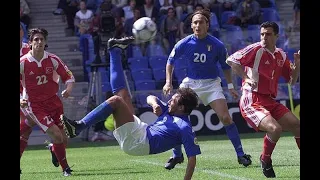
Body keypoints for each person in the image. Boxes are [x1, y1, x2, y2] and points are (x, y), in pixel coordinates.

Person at [61, 36, 201, 180]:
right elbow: (150, 97)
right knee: (122, 95)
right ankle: (114, 50)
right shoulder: (169, 111)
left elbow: (192, 158)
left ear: (182, 107)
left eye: (174, 100)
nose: (170, 100)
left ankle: (79, 127)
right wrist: (154, 104)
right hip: (141, 132)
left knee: (116, 101)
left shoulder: (184, 126)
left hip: (139, 142)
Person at [162, 9, 252, 170]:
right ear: (191, 25)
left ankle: (241, 154)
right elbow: (170, 61)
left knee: (225, 118)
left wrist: (230, 86)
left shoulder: (217, 45)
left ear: (207, 25)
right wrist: (168, 82)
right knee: (173, 114)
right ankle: (176, 155)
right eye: (195, 22)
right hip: (190, 84)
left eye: (201, 22)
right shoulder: (183, 43)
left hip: (211, 84)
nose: (198, 25)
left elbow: (225, 67)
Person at [226, 21, 300, 178]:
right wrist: (246, 77)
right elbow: (232, 60)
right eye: (262, 34)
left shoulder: (281, 55)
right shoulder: (256, 49)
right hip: (251, 99)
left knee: (296, 125)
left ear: (277, 36)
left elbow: (291, 81)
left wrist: (298, 66)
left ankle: (265, 159)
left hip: (270, 100)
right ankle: (265, 160)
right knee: (275, 129)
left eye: (268, 34)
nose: (264, 37)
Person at [20, 28, 75, 176]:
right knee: (56, 135)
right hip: (35, 106)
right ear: (30, 43)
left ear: (45, 42)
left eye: (41, 39)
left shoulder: (53, 59)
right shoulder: (23, 62)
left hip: (54, 103)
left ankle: (53, 149)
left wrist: (68, 89)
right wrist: (21, 99)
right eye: (36, 40)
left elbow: (69, 77)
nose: (39, 42)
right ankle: (66, 169)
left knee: (63, 140)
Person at [19, 24, 60, 174]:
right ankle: (54, 147)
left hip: (32, 96)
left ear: (22, 32)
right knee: (27, 127)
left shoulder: (30, 48)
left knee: (28, 127)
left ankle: (55, 147)